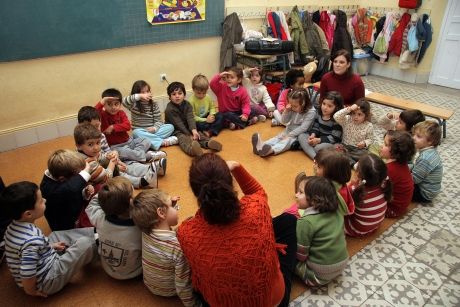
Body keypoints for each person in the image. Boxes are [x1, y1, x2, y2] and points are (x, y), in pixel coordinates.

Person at [177, 153, 297, 307]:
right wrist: (237, 166)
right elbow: (258, 192)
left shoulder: (186, 233)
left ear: (196, 193)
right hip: (272, 302)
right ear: (229, 183)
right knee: (289, 221)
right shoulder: (257, 208)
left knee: (199, 275)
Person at [2, 181, 96, 297]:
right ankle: (96, 242)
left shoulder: (12, 227)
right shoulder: (31, 241)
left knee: (54, 235)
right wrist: (31, 291)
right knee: (85, 244)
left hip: (43, 258)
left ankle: (94, 234)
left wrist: (50, 246)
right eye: (41, 201)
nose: (45, 200)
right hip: (47, 280)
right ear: (28, 214)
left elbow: (24, 251)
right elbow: (27, 274)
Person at [130, 189, 202, 307]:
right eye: (173, 207)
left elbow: (164, 231)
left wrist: (169, 206)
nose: (175, 209)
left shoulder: (145, 230)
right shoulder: (178, 247)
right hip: (170, 291)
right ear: (161, 213)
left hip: (150, 284)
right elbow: (182, 286)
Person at [78, 106, 164, 188]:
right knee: (120, 172)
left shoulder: (100, 136)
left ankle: (152, 168)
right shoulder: (86, 159)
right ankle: (142, 181)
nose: (96, 147)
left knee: (126, 164)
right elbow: (105, 177)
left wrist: (116, 160)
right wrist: (114, 164)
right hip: (104, 176)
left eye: (97, 126)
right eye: (90, 144)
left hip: (109, 164)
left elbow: (105, 153)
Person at [295, 176, 349, 286]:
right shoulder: (337, 209)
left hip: (317, 275)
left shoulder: (306, 222)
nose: (296, 194)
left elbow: (301, 255)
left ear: (314, 200)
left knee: (287, 257)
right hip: (342, 264)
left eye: (300, 192)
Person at [85, 177, 142, 280]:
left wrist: (106, 195)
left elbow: (91, 206)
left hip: (107, 268)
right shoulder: (140, 227)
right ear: (130, 201)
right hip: (134, 272)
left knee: (97, 233)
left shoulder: (100, 218)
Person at [95, 88, 158, 162]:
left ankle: (136, 155)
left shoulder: (121, 113)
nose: (113, 107)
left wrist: (113, 127)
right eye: (109, 104)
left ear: (120, 104)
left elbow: (128, 126)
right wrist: (101, 102)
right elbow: (93, 112)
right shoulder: (102, 115)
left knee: (146, 140)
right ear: (104, 105)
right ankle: (146, 156)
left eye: (116, 104)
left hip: (129, 142)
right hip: (115, 147)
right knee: (125, 152)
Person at [251, 88, 316, 157]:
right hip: (290, 128)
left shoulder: (311, 112)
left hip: (301, 134)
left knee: (286, 141)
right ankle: (260, 146)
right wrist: (286, 111)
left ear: (303, 104)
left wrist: (289, 135)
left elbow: (303, 128)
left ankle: (271, 150)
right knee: (278, 137)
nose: (292, 107)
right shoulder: (292, 107)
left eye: (295, 106)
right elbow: (284, 121)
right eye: (291, 104)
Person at [165, 81, 222, 157]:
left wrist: (193, 130)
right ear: (169, 97)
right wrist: (189, 134)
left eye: (180, 93)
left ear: (184, 95)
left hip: (187, 126)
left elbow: (190, 118)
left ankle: (208, 143)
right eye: (174, 94)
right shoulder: (170, 109)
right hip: (177, 130)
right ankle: (193, 150)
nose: (177, 96)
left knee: (198, 134)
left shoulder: (187, 104)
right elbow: (178, 124)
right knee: (184, 140)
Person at [40, 149, 93, 231]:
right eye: (77, 176)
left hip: (73, 211)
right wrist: (86, 171)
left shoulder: (62, 176)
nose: (78, 179)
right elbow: (70, 189)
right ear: (62, 179)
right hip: (65, 226)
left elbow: (73, 187)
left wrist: (84, 192)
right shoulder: (49, 189)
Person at [344, 154, 392, 236]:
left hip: (355, 229)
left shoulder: (355, 190)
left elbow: (342, 204)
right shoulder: (384, 186)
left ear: (358, 174)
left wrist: (351, 184)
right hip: (373, 226)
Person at [122, 80, 177, 149]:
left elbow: (159, 121)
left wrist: (154, 128)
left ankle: (150, 141)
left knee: (170, 127)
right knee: (135, 133)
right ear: (137, 94)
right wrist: (140, 96)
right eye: (143, 92)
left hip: (153, 132)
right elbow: (124, 101)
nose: (146, 94)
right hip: (141, 132)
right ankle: (162, 142)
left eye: (148, 91)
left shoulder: (154, 105)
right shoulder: (134, 104)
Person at [380, 131, 416, 218]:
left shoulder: (390, 170)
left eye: (385, 144)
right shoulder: (401, 163)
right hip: (399, 206)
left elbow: (377, 189)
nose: (381, 146)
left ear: (396, 151)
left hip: (392, 209)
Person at [299, 91, 344, 159]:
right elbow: (315, 126)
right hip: (317, 139)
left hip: (329, 143)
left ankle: (311, 152)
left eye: (329, 106)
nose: (325, 107)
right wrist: (313, 135)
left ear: (336, 108)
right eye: (324, 103)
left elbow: (334, 138)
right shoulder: (319, 114)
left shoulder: (336, 120)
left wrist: (318, 140)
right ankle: (315, 157)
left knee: (318, 148)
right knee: (301, 136)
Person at [334, 99, 374, 164]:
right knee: (335, 147)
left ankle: (345, 160)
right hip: (345, 146)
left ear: (366, 115)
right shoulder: (347, 119)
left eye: (359, 114)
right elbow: (336, 116)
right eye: (354, 113)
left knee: (366, 155)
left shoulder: (369, 125)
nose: (356, 117)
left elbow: (371, 139)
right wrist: (349, 109)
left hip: (357, 150)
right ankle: (352, 163)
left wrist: (364, 143)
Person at [411, 121, 443, 203]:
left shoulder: (425, 158)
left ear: (430, 141)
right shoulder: (431, 151)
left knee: (398, 185)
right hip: (431, 190)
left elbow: (414, 180)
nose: (413, 137)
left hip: (424, 194)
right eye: (414, 134)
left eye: (418, 136)